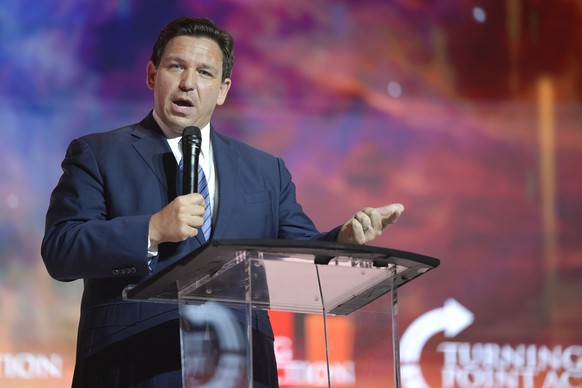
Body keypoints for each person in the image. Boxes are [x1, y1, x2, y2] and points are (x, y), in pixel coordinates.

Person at [41, 17, 404, 388]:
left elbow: (302, 253)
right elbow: (61, 250)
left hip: (240, 367)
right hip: (133, 366)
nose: (187, 83)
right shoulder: (99, 154)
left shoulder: (265, 171)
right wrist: (150, 230)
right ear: (152, 75)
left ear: (222, 89)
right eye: (176, 67)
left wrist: (344, 239)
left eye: (204, 73)